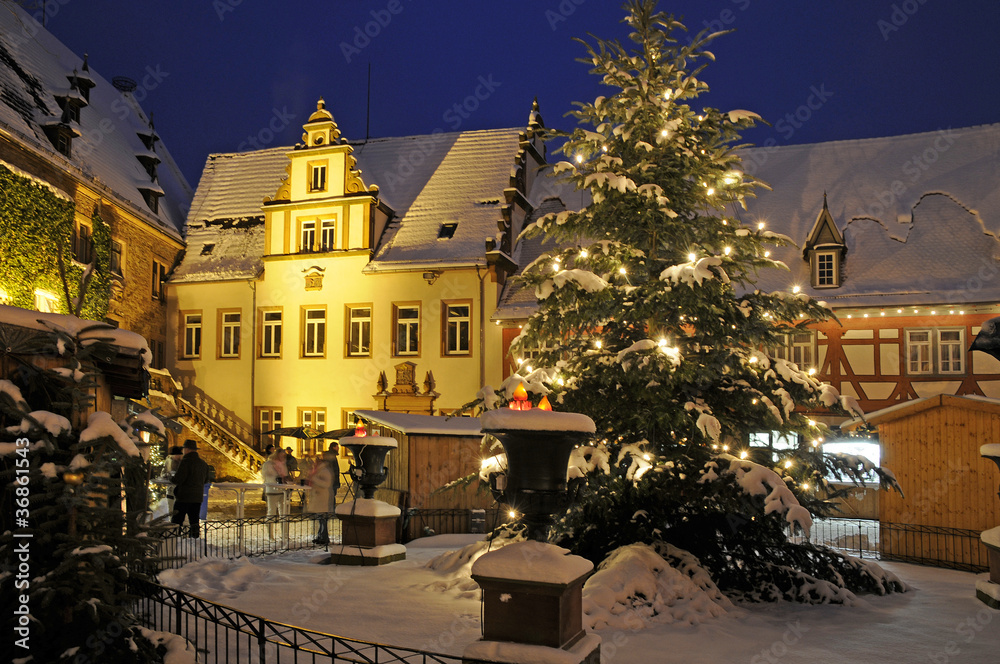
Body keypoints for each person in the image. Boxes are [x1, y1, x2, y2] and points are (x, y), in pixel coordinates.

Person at [170, 439, 210, 538]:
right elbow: (206, 480)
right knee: (194, 521)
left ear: (187, 449)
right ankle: (195, 541)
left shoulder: (186, 462)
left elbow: (178, 479)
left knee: (177, 520)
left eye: (184, 449)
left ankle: (174, 540)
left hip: (184, 496)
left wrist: (171, 478)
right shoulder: (203, 464)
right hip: (197, 497)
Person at [306, 442, 340, 545]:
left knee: (323, 517)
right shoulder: (321, 468)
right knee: (321, 517)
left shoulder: (325, 470)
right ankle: (320, 536)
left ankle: (324, 537)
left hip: (323, 496)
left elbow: (326, 483)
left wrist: (314, 478)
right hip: (319, 496)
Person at [261, 448, 289, 539]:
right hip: (272, 490)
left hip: (282, 491)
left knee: (283, 513)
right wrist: (276, 477)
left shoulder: (283, 464)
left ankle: (285, 535)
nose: (283, 457)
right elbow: (265, 475)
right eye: (281, 455)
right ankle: (270, 535)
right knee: (271, 512)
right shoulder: (268, 464)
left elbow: (285, 475)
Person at [164, 445, 183, 514]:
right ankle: (172, 521)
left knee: (180, 507)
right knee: (171, 506)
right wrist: (166, 475)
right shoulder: (168, 461)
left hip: (180, 488)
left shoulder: (182, 462)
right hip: (170, 488)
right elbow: (163, 473)